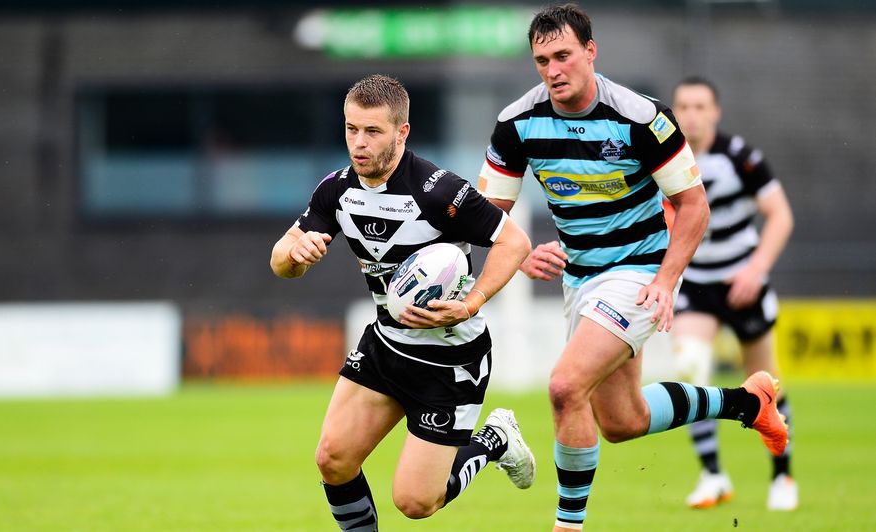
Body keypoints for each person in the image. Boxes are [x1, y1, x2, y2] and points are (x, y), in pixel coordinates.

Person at [474, 5, 789, 530]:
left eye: (564, 56)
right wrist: (523, 255)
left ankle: (567, 525)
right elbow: (488, 217)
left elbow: (694, 207)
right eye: (542, 60)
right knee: (622, 422)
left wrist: (666, 281)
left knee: (564, 387)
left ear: (590, 51)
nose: (553, 70)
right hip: (582, 279)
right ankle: (746, 403)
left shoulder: (641, 117)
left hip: (639, 272)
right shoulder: (516, 123)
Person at [270, 74, 535, 530]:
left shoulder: (439, 191)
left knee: (415, 503)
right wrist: (295, 256)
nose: (359, 142)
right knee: (333, 459)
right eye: (351, 129)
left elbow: (515, 242)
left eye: (373, 131)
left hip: (449, 360)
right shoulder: (335, 190)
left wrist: (471, 302)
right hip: (387, 347)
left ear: (402, 132)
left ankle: (494, 439)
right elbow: (280, 261)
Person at [670, 76, 797, 511]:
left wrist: (756, 270)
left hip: (743, 281)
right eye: (683, 106)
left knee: (765, 381)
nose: (691, 114)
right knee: (691, 367)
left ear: (715, 112)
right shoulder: (663, 158)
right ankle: (712, 475)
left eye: (700, 106)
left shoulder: (739, 157)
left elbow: (780, 215)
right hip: (696, 284)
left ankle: (783, 476)